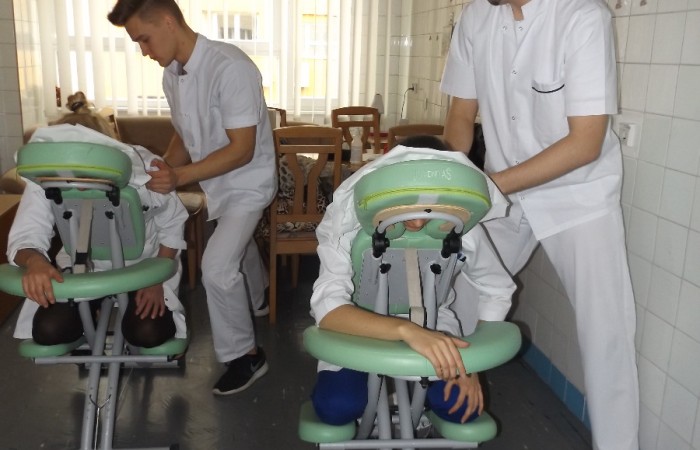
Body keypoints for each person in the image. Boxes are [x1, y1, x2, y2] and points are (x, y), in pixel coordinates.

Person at [440, 1, 639, 449]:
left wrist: (487, 188)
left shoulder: (582, 16)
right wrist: (451, 182)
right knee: (456, 297)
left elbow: (585, 143)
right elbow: (460, 115)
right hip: (503, 188)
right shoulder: (476, 17)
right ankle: (445, 413)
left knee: (605, 333)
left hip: (577, 194)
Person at [107, 0, 276, 395]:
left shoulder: (230, 67)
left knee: (217, 266)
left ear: (168, 22)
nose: (143, 51)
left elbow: (242, 150)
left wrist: (178, 177)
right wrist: (160, 169)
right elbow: (185, 134)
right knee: (237, 246)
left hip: (247, 182)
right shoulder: (172, 75)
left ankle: (246, 357)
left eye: (144, 39)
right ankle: (259, 295)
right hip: (216, 182)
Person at [309, 136, 515, 426]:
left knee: (460, 408)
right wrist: (406, 331)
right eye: (410, 201)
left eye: (432, 204)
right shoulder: (346, 227)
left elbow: (497, 289)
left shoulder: (459, 229)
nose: (417, 222)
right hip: (358, 328)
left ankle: (412, 401)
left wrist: (471, 364)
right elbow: (328, 309)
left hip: (434, 324)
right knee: (336, 407)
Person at [10, 91, 188, 349]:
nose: (76, 179)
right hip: (81, 270)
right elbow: (25, 236)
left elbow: (173, 222)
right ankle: (88, 315)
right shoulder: (47, 176)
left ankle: (109, 310)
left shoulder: (146, 168)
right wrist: (35, 262)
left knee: (146, 333)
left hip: (143, 268)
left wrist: (156, 280)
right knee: (48, 330)